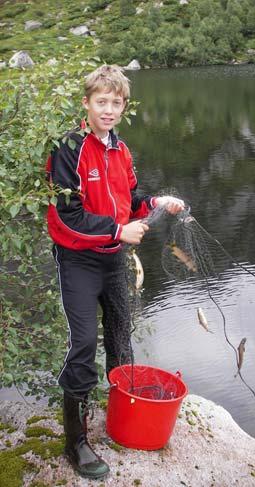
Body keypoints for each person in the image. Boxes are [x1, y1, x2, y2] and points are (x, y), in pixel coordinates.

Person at [46, 64, 184, 479]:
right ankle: (76, 443)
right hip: (79, 261)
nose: (108, 109)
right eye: (100, 102)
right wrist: (117, 229)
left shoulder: (120, 150)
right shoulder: (68, 147)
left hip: (114, 259)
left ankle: (125, 417)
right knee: (85, 342)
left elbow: (129, 200)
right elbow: (65, 216)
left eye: (115, 103)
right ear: (86, 103)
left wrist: (158, 202)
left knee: (122, 335)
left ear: (123, 107)